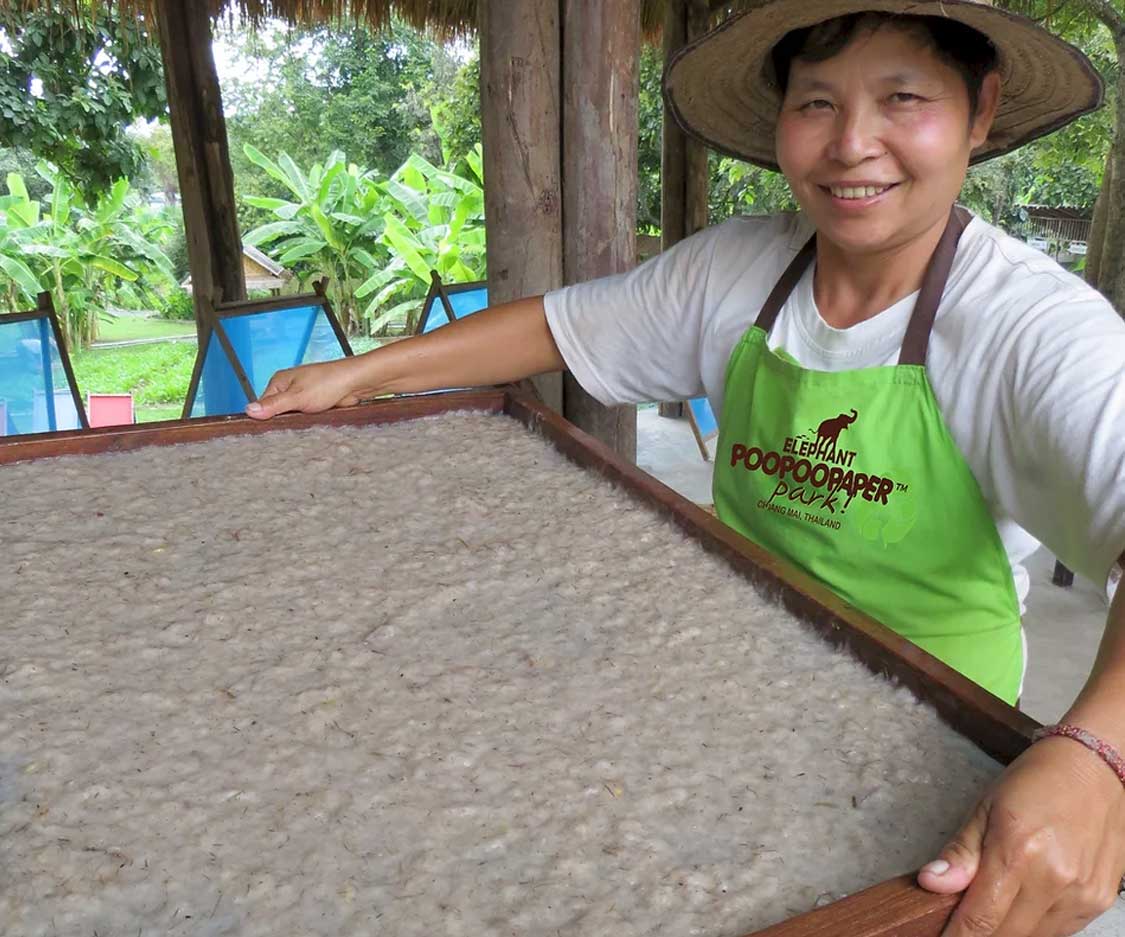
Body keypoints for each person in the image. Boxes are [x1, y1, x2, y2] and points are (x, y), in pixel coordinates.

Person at [247, 1, 1125, 933]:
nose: (852, 144)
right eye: (817, 103)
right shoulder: (734, 270)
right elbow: (552, 326)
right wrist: (360, 373)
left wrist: (1095, 750)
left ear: (979, 111)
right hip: (724, 672)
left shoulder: (1037, 331)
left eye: (902, 98)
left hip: (925, 737)